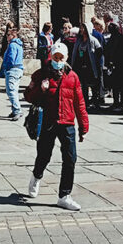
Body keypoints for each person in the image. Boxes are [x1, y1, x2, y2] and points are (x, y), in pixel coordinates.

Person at [24, 41, 89, 212]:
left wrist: (83, 127)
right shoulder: (40, 75)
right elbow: (28, 96)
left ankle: (64, 196)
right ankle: (36, 176)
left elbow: (79, 103)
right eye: (55, 57)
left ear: (66, 58)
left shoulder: (73, 77)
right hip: (48, 122)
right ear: (51, 57)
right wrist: (41, 90)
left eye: (61, 58)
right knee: (44, 155)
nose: (58, 60)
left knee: (70, 158)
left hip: (67, 122)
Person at [72, 23, 102, 108]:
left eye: (83, 28)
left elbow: (99, 51)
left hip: (90, 66)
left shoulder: (93, 40)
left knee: (93, 84)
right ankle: (85, 102)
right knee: (83, 85)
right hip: (81, 66)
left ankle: (96, 102)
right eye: (80, 28)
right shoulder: (79, 41)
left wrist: (95, 61)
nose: (81, 30)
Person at [0, 26, 25, 120]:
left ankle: (17, 110)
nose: (7, 37)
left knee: (11, 91)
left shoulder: (12, 45)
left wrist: (6, 67)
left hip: (12, 70)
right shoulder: (19, 45)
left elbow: (11, 58)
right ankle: (15, 110)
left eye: (8, 35)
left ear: (13, 35)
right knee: (14, 90)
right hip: (18, 69)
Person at [103, 22, 123, 108]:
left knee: (121, 84)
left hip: (120, 64)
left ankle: (122, 101)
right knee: (115, 85)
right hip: (113, 64)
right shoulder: (111, 38)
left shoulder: (121, 38)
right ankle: (116, 101)